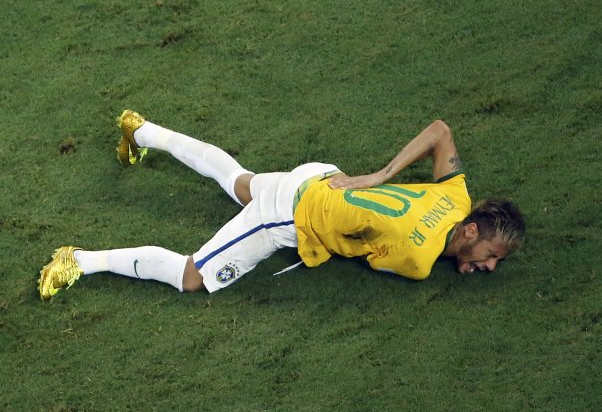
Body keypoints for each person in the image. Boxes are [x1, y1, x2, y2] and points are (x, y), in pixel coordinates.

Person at [37, 110, 525, 300]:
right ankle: (79, 259)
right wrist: (451, 260)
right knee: (192, 276)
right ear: (469, 233)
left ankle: (139, 129)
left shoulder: (456, 196)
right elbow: (372, 250)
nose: (491, 265)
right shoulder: (418, 262)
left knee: (238, 180)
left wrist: (379, 176)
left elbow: (440, 132)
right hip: (289, 216)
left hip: (322, 176)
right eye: (492, 256)